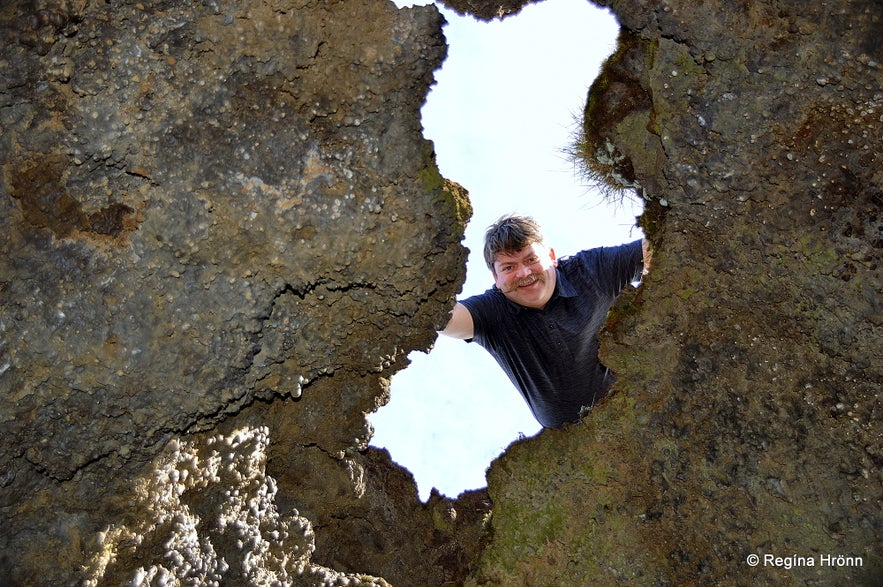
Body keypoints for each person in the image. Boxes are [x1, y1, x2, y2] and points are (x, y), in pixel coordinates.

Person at [441, 214, 650, 428]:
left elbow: (657, 247)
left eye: (531, 259)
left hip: (646, 407)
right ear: (496, 278)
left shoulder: (591, 270)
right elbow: (443, 320)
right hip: (576, 448)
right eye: (508, 267)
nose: (524, 273)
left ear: (551, 256)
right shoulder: (491, 312)